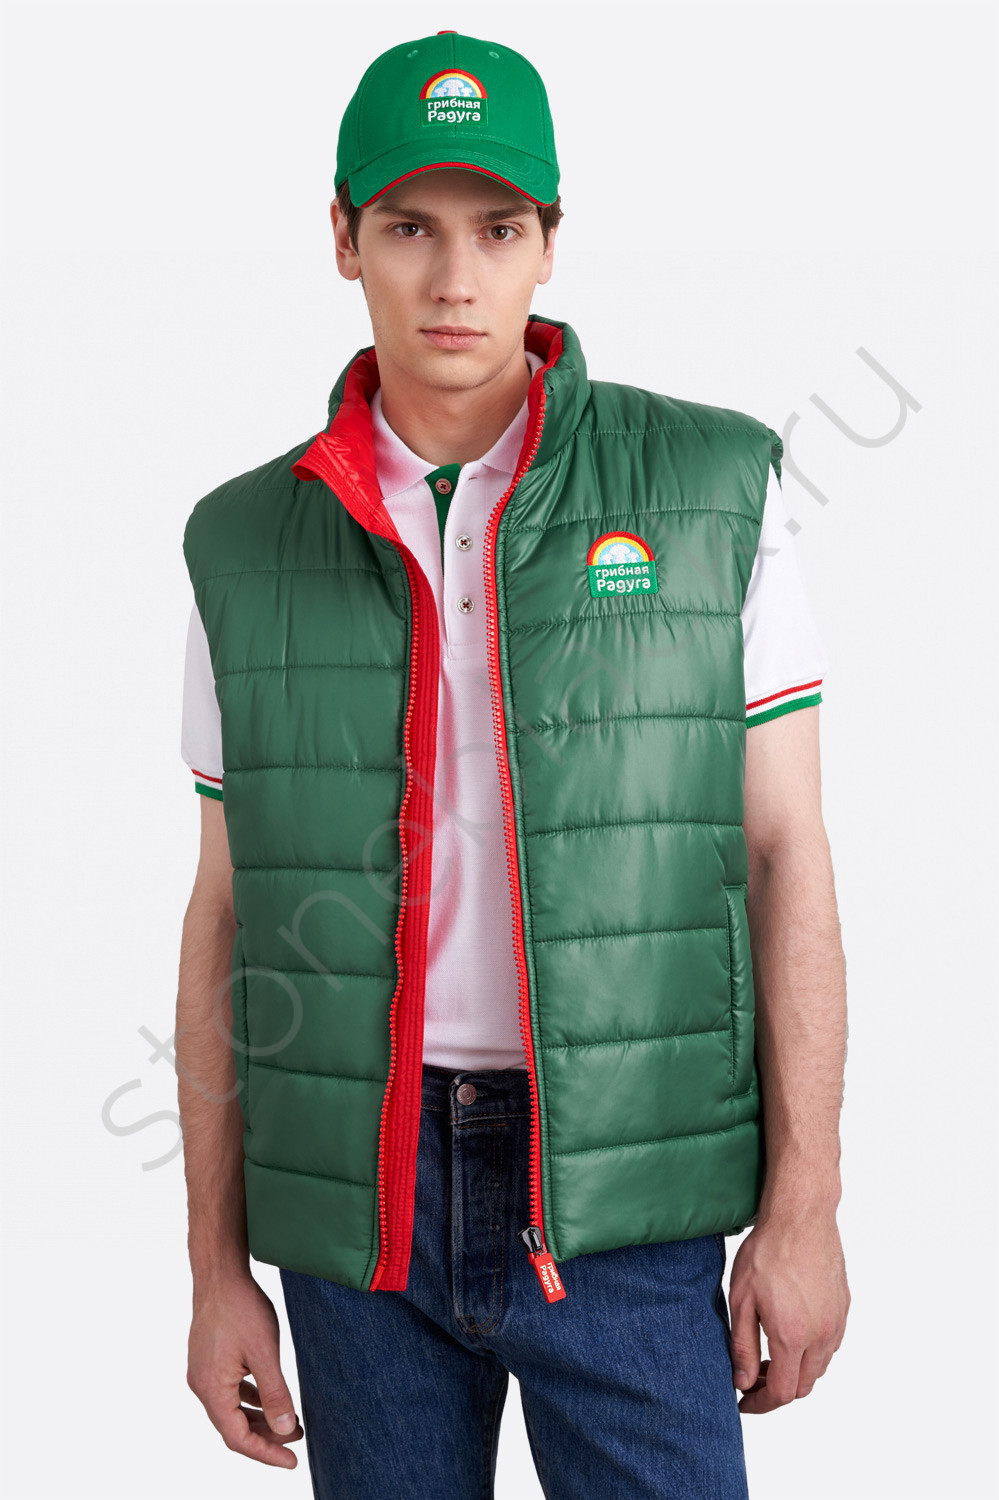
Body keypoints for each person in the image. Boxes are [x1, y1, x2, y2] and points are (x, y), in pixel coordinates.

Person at [177, 28, 850, 1500]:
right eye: (408, 227)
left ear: (551, 242)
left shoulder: (715, 490)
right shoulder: (242, 542)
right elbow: (228, 913)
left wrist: (804, 1207)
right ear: (344, 238)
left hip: (628, 1199)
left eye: (496, 228)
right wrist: (216, 1269)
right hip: (360, 1221)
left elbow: (784, 852)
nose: (454, 277)